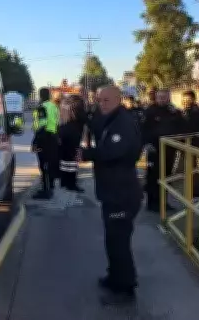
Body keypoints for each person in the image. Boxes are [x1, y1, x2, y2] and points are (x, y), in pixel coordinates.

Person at [77, 85, 142, 304]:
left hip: (121, 193)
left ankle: (125, 286)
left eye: (106, 100)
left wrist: (87, 154)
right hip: (112, 191)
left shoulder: (122, 122)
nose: (101, 104)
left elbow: (114, 151)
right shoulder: (110, 118)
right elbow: (95, 126)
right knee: (113, 239)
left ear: (118, 99)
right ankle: (116, 276)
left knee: (118, 240)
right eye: (99, 100)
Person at [141, 89, 183, 212]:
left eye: (165, 97)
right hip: (155, 150)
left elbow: (181, 126)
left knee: (166, 176)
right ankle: (152, 203)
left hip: (170, 150)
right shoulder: (150, 111)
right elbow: (142, 128)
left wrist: (178, 113)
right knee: (153, 176)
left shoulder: (173, 111)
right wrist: (146, 144)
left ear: (169, 98)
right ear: (156, 98)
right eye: (160, 97)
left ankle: (163, 202)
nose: (162, 99)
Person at [31, 87, 60, 200]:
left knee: (43, 165)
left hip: (44, 138)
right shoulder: (53, 106)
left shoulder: (42, 107)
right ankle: (50, 187)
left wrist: (35, 142)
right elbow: (57, 122)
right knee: (51, 162)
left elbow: (42, 125)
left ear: (41, 95)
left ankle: (45, 191)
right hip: (53, 137)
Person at [57, 94, 86, 192]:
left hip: (71, 133)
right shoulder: (71, 107)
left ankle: (68, 182)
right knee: (67, 159)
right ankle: (67, 182)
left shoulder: (73, 108)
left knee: (70, 159)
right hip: (69, 133)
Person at [181, 90, 199, 198]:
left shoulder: (196, 111)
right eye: (184, 99)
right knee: (189, 167)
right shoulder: (188, 110)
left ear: (193, 99)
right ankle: (191, 191)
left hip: (192, 143)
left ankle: (194, 193)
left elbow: (191, 127)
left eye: (188, 99)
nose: (185, 101)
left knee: (192, 168)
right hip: (187, 143)